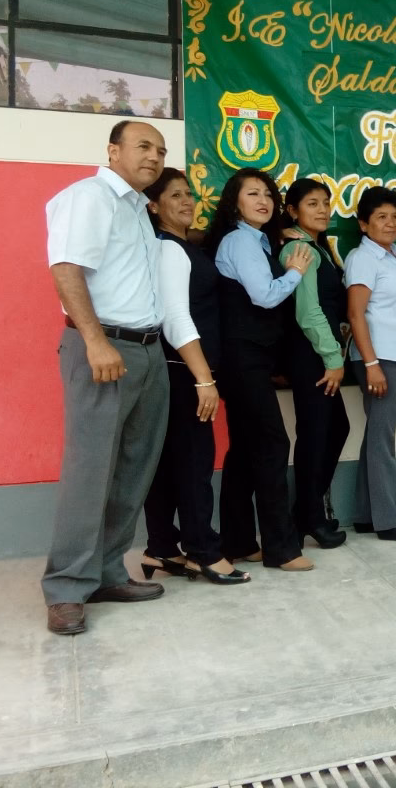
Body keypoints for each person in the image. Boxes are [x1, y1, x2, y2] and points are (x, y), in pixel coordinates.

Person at [42, 120, 171, 636]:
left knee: (133, 469)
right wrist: (95, 341)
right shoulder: (90, 197)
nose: (154, 157)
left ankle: (107, 572)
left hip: (145, 350)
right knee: (90, 471)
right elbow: (67, 267)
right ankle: (67, 588)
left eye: (160, 150)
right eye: (143, 146)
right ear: (113, 150)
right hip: (103, 347)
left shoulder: (138, 210)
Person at [139, 168, 248, 585]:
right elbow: (174, 316)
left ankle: (162, 548)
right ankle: (203, 550)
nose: (187, 201)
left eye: (190, 194)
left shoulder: (181, 246)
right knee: (195, 464)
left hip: (177, 371)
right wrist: (204, 378)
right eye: (175, 195)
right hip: (182, 372)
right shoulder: (169, 250)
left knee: (170, 464)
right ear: (154, 205)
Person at [207, 168, 316, 570]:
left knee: (246, 450)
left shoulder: (255, 241)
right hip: (243, 359)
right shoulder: (240, 241)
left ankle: (237, 540)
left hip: (247, 358)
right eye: (252, 193)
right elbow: (265, 296)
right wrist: (296, 272)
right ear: (234, 201)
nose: (263, 200)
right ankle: (280, 548)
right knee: (272, 445)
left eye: (268, 193)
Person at [344, 186, 396, 542]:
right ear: (364, 224)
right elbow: (355, 313)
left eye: (395, 216)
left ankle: (366, 514)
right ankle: (389, 519)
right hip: (379, 357)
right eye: (381, 217)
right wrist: (372, 362)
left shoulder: (392, 256)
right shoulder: (364, 258)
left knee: (377, 435)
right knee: (382, 438)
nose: (391, 223)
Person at [280, 179, 350, 550]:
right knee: (317, 434)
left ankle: (305, 513)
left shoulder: (316, 247)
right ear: (293, 211)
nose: (322, 209)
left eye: (325, 202)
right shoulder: (299, 248)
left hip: (318, 355)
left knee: (332, 428)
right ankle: (309, 517)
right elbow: (308, 313)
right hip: (312, 355)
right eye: (312, 203)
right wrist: (333, 359)